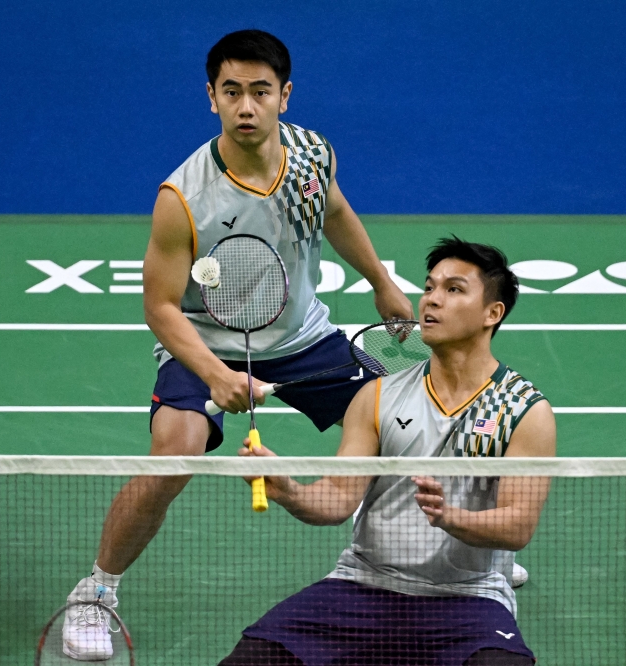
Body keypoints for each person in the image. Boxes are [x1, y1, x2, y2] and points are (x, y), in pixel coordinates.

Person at [61, 30, 413, 660]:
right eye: (232, 93)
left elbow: (332, 213)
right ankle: (96, 592)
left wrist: (381, 283)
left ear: (284, 95)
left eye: (259, 91)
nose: (246, 107)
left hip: (302, 336)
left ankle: (434, 552)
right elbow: (160, 308)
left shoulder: (310, 154)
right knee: (176, 452)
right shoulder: (183, 197)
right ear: (211, 98)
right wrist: (215, 376)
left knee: (400, 416)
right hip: (204, 343)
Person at [220, 237, 557, 666]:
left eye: (454, 290)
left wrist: (449, 517)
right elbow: (337, 500)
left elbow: (518, 527)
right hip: (362, 585)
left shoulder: (524, 411)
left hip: (467, 598)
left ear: (493, 313)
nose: (431, 300)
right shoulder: (377, 397)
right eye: (430, 287)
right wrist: (287, 488)